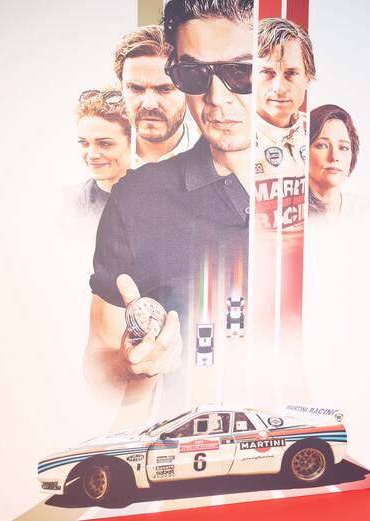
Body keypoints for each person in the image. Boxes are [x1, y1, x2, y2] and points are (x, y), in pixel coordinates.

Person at [84, 0, 253, 418]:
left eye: (241, 70)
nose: (216, 98)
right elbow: (100, 355)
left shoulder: (329, 194)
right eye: (195, 74)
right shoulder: (137, 199)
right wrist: (131, 366)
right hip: (194, 457)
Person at [255, 17, 315, 230]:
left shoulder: (320, 132)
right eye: (267, 73)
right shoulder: (227, 137)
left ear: (309, 78)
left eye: (291, 74)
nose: (279, 87)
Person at [113, 24, 196, 166]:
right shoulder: (94, 159)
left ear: (189, 90)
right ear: (120, 89)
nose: (149, 104)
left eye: (164, 89)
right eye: (135, 88)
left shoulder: (220, 159)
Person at [75, 89, 131, 215]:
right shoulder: (64, 207)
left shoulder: (162, 201)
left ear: (134, 143)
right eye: (84, 143)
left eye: (105, 144)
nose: (92, 155)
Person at [308, 104, 363, 221]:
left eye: (343, 147)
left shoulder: (364, 212)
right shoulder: (289, 213)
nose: (334, 157)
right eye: (322, 145)